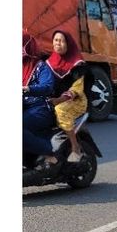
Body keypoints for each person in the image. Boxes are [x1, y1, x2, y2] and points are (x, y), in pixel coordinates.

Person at [45, 30, 90, 165]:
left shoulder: (77, 64)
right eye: (56, 40)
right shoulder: (49, 62)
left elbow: (76, 89)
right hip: (53, 99)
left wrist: (59, 100)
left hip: (75, 101)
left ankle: (75, 146)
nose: (58, 43)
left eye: (62, 41)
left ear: (68, 44)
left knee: (60, 110)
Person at [23, 30, 56, 161]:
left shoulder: (40, 66)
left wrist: (29, 88)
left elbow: (47, 86)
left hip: (39, 107)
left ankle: (48, 152)